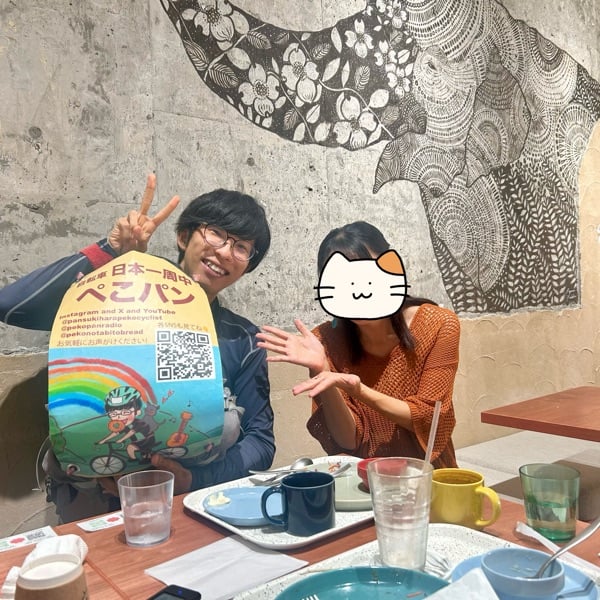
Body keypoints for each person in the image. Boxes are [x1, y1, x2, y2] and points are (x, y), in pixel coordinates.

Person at [0, 174, 275, 522]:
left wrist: (193, 480)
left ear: (247, 265)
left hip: (193, 512)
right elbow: (10, 305)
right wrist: (110, 251)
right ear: (183, 236)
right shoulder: (103, 303)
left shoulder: (243, 339)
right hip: (93, 515)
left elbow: (261, 442)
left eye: (241, 247)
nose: (224, 251)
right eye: (216, 233)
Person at [257, 221, 459, 468]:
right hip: (364, 479)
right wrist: (322, 370)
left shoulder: (438, 324)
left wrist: (359, 390)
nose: (358, 290)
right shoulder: (323, 343)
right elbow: (348, 440)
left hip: (429, 476)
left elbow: (428, 418)